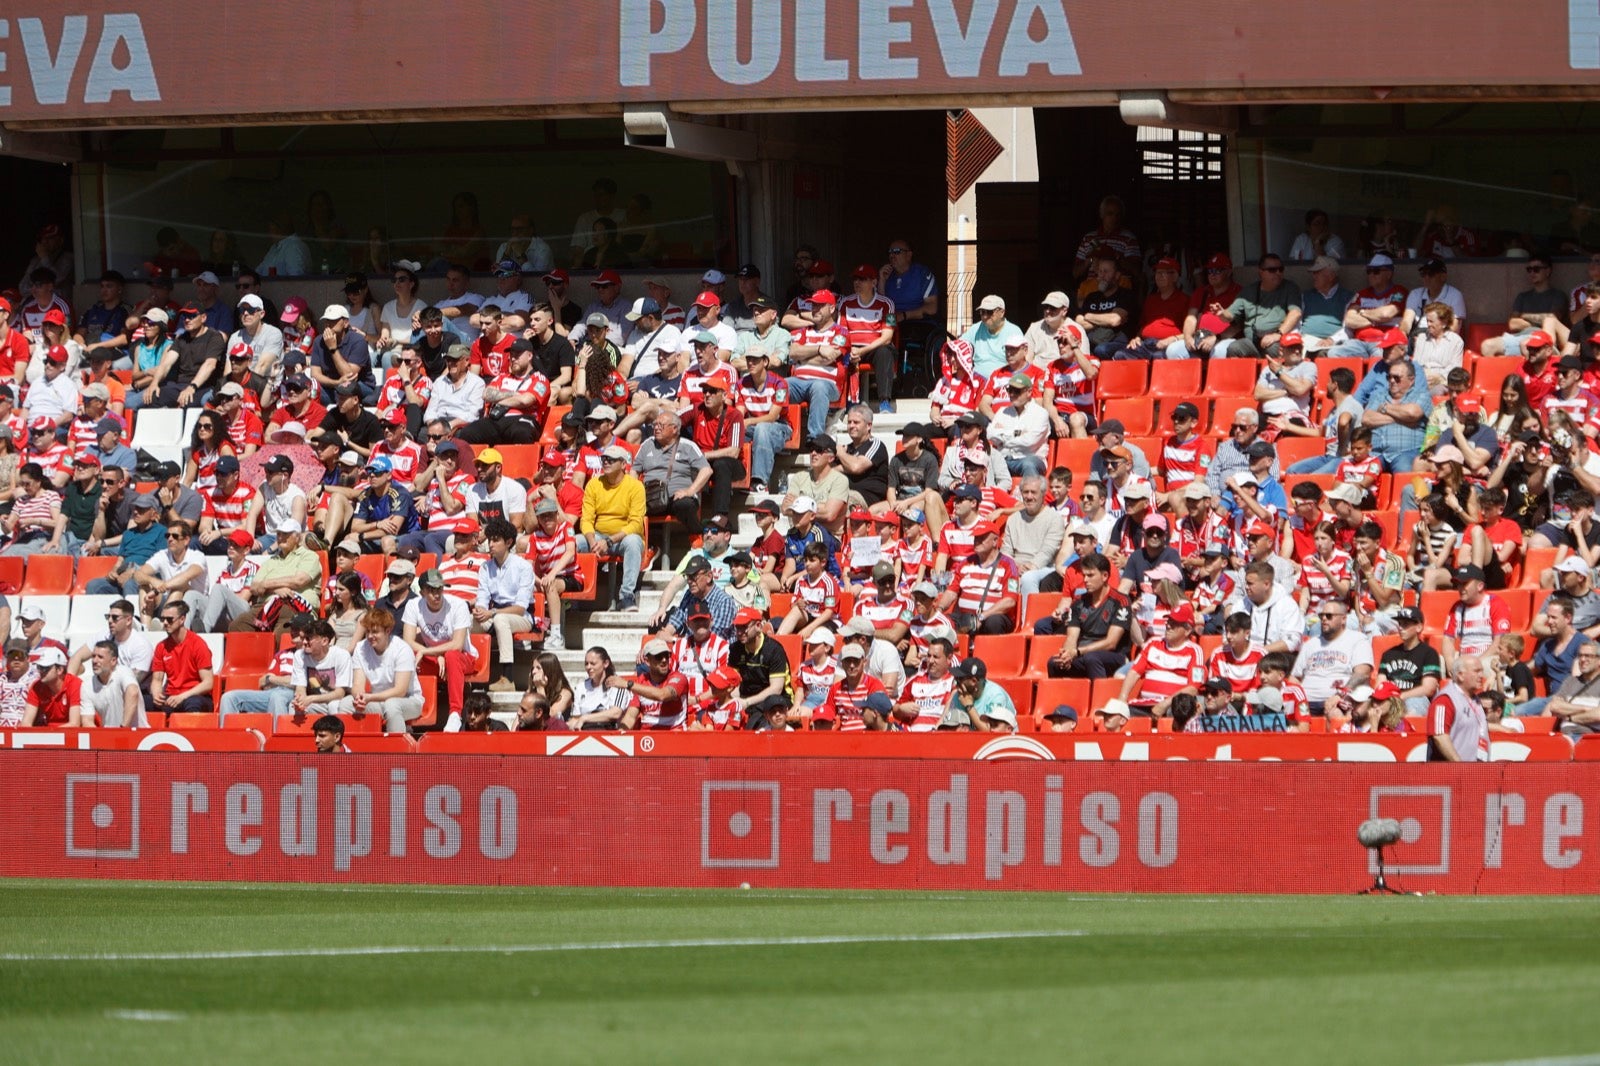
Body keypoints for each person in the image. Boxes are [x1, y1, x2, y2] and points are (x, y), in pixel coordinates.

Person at [579, 445, 647, 611]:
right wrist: (592, 541)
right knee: (574, 542)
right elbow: (586, 519)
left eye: (611, 459)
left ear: (624, 464)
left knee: (633, 542)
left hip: (621, 538)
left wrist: (609, 541)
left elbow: (636, 524)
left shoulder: (636, 486)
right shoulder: (593, 485)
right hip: (597, 537)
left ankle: (627, 596)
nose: (606, 462)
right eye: (604, 459)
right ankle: (574, 592)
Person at [471, 516, 534, 692]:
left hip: (522, 617)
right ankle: (470, 671)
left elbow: (521, 608)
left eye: (496, 540)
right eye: (490, 539)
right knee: (467, 622)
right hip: (495, 614)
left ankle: (508, 678)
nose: (490, 544)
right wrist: (480, 612)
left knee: (501, 620)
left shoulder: (523, 567)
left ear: (508, 542)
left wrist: (491, 613)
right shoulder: (485, 567)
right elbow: (482, 597)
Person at [633, 409, 710, 533]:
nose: (656, 428)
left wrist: (690, 491)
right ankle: (647, 545)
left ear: (674, 429)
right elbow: (634, 471)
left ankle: (696, 536)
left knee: (685, 505)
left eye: (661, 425)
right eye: (655, 425)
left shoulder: (688, 446)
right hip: (651, 498)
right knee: (630, 508)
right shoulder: (647, 445)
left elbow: (706, 470)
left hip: (677, 497)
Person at [148, 601, 215, 715]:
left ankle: (192, 733)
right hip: (171, 697)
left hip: (194, 696)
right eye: (162, 619)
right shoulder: (161, 647)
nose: (164, 623)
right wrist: (156, 695)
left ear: (182, 619)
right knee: (141, 701)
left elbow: (208, 683)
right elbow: (157, 680)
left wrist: (181, 697)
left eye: (169, 619)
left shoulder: (197, 644)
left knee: (193, 703)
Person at [1427, 655, 1489, 761]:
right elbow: (1439, 736)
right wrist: (1459, 766)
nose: (1481, 675)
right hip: (1451, 774)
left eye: (1482, 671)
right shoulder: (1445, 700)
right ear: (1460, 675)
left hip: (1475, 772)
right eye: (1476, 671)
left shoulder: (1474, 699)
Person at [20, 647, 85, 727]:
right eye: (39, 667)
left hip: (71, 736)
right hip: (50, 734)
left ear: (60, 670)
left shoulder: (75, 684)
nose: (41, 671)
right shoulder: (36, 687)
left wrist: (50, 735)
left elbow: (74, 724)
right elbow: (26, 723)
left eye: (45, 668)